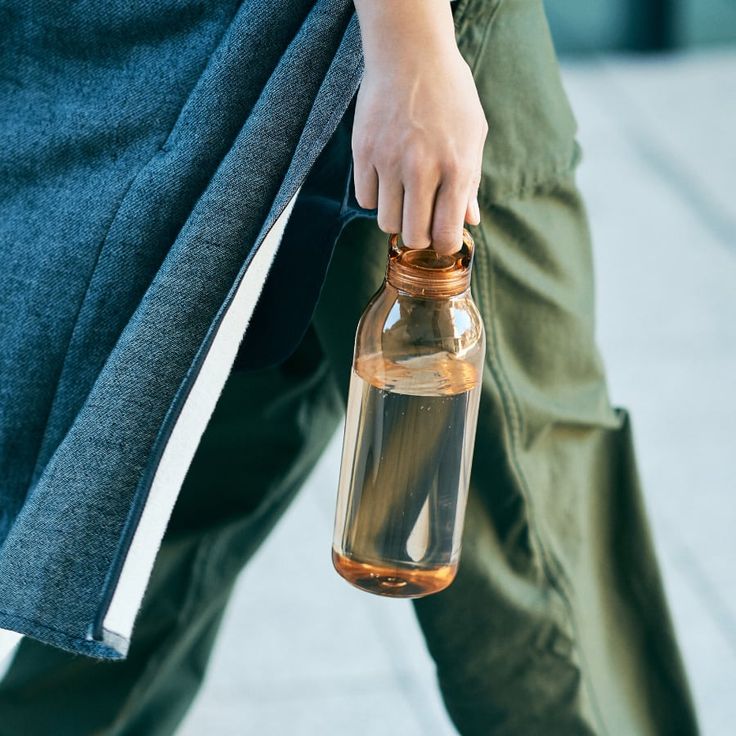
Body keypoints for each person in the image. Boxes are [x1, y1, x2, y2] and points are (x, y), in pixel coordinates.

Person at [0, 0, 698, 734]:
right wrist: (414, 48)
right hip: (376, 41)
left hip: (226, 48)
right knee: (531, 530)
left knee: (180, 492)